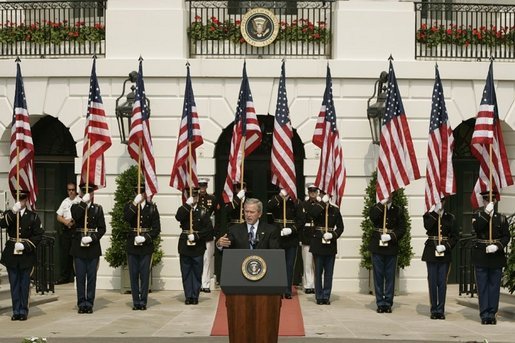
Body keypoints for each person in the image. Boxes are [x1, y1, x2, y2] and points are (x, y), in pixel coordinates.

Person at [0, 190, 43, 321]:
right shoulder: (10, 213)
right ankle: (16, 310)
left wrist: (26, 245)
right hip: (12, 253)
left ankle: (23, 310)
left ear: (27, 200)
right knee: (14, 283)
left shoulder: (33, 217)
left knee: (24, 283)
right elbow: (2, 224)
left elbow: (38, 235)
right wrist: (13, 212)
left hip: (26, 254)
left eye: (23, 198)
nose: (21, 201)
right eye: (18, 198)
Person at [471, 190, 510, 325]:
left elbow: (506, 236)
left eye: (492, 200)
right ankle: (484, 314)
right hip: (481, 254)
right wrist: (487, 214)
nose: (489, 202)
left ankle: (492, 313)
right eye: (487, 200)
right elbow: (478, 228)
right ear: (484, 201)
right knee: (482, 286)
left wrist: (498, 246)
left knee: (494, 286)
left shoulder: (501, 218)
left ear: (495, 201)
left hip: (496, 255)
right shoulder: (478, 215)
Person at [123, 183, 161, 310]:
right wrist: (134, 203)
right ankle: (136, 302)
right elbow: (126, 218)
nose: (139, 194)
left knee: (144, 275)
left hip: (146, 246)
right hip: (132, 244)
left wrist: (145, 237)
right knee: (133, 275)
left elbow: (156, 229)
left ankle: (143, 301)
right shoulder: (130, 206)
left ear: (146, 193)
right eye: (137, 191)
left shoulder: (152, 208)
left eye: (142, 192)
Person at [70, 185, 106, 314]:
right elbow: (75, 216)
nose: (86, 193)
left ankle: (89, 303)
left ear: (92, 194)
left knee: (91, 277)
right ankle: (81, 303)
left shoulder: (97, 209)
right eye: (84, 191)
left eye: (89, 191)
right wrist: (83, 203)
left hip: (92, 247)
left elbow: (102, 228)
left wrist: (93, 238)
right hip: (78, 246)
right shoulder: (76, 206)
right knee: (80, 277)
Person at [175, 187, 214, 305]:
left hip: (198, 246)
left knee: (197, 271)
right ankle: (188, 296)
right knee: (186, 271)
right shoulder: (184, 209)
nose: (195, 198)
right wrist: (187, 205)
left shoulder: (203, 211)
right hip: (185, 245)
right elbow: (178, 217)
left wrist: (197, 236)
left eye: (196, 196)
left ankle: (195, 295)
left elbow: (209, 230)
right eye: (192, 196)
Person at [368, 194, 406, 313]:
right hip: (377, 245)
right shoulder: (377, 207)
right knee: (378, 275)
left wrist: (391, 236)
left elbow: (402, 228)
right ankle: (380, 302)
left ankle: (388, 303)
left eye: (390, 193)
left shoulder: (398, 210)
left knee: (390, 276)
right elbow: (372, 217)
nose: (388, 195)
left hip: (391, 245)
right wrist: (381, 204)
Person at [422, 197, 457, 320]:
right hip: (431, 251)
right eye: (437, 201)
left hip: (444, 253)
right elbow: (427, 227)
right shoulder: (428, 215)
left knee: (442, 282)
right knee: (432, 282)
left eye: (441, 201)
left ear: (444, 202)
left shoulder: (450, 217)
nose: (440, 204)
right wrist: (435, 213)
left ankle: (441, 310)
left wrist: (446, 246)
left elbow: (455, 237)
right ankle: (434, 309)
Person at [267, 188, 305, 299]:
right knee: (277, 264)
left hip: (291, 237)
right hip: (277, 236)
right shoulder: (276, 199)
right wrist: (280, 197)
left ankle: (287, 290)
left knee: (289, 265)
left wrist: (292, 229)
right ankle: (277, 289)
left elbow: (301, 220)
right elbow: (268, 207)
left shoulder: (296, 202)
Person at [307, 193, 343, 305]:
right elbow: (312, 214)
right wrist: (322, 203)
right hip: (318, 243)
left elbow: (341, 227)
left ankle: (326, 296)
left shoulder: (335, 210)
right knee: (318, 272)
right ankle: (319, 296)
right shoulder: (316, 207)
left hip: (330, 244)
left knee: (329, 273)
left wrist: (333, 235)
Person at [55, 181, 81, 285]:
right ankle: (65, 277)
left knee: (76, 254)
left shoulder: (79, 201)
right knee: (65, 255)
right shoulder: (65, 202)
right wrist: (65, 222)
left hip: (76, 230)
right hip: (66, 230)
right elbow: (58, 216)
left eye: (73, 190)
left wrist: (73, 222)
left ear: (76, 190)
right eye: (69, 190)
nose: (71, 192)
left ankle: (77, 276)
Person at [198, 178, 218, 293]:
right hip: (196, 231)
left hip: (208, 231)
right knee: (197, 259)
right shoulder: (194, 198)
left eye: (204, 186)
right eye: (200, 186)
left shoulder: (212, 199)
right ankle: (197, 282)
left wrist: (215, 232)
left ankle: (205, 284)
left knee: (207, 258)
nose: (202, 189)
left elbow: (217, 215)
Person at [300, 184, 320, 294]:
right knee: (307, 262)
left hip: (317, 234)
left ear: (317, 193)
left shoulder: (320, 204)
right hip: (307, 235)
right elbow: (301, 221)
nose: (313, 194)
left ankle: (317, 284)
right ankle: (308, 285)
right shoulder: (304, 204)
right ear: (308, 193)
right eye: (311, 192)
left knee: (317, 262)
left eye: (314, 192)